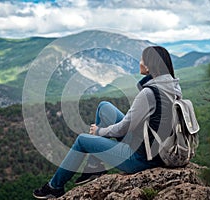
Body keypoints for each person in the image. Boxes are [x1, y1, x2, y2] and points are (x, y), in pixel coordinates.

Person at [33, 46, 182, 199]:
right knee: (104, 107)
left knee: (83, 140)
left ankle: (54, 187)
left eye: (142, 59)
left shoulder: (149, 93)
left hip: (142, 159)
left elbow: (123, 128)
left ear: (150, 65)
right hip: (154, 149)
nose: (140, 62)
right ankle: (94, 166)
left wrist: (98, 132)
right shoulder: (173, 87)